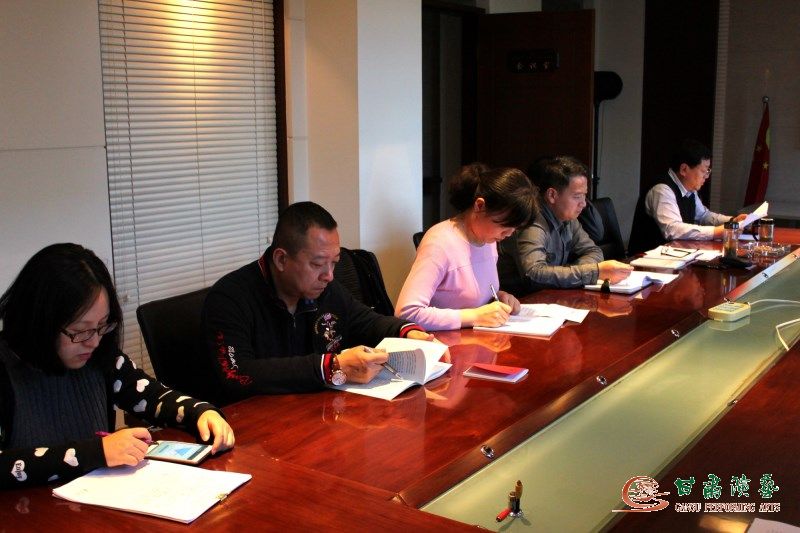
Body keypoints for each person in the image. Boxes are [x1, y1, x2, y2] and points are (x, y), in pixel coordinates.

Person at [0, 244, 234, 489]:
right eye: (80, 331)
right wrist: (96, 452)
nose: (94, 341)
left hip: (92, 500)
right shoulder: (5, 371)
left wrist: (200, 412)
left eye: (102, 325)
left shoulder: (100, 357)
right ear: (40, 322)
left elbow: (153, 397)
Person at [202, 201, 432, 404]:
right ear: (281, 259)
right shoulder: (230, 298)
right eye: (318, 264)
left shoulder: (324, 289)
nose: (329, 275)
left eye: (334, 262)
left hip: (316, 411)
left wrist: (408, 331)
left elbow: (366, 321)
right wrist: (330, 366)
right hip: (255, 423)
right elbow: (237, 374)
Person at [395, 163, 536, 331]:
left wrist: (499, 297)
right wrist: (474, 316)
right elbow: (406, 313)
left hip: (477, 338)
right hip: (443, 341)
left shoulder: (488, 240)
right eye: (505, 225)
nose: (509, 234)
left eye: (515, 228)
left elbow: (469, 295)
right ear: (480, 206)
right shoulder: (440, 243)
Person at [498, 156, 633, 294]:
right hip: (520, 301)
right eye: (577, 196)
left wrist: (572, 273)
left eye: (584, 195)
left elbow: (593, 251)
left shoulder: (568, 218)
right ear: (552, 195)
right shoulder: (532, 223)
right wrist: (593, 272)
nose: (583, 204)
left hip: (551, 296)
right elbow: (533, 275)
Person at [628, 139, 748, 255]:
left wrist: (732, 221)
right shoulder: (662, 190)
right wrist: (716, 232)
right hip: (646, 260)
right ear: (684, 169)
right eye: (704, 171)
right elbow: (673, 230)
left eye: (708, 171)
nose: (706, 176)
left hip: (674, 256)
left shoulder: (688, 189)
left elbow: (703, 216)